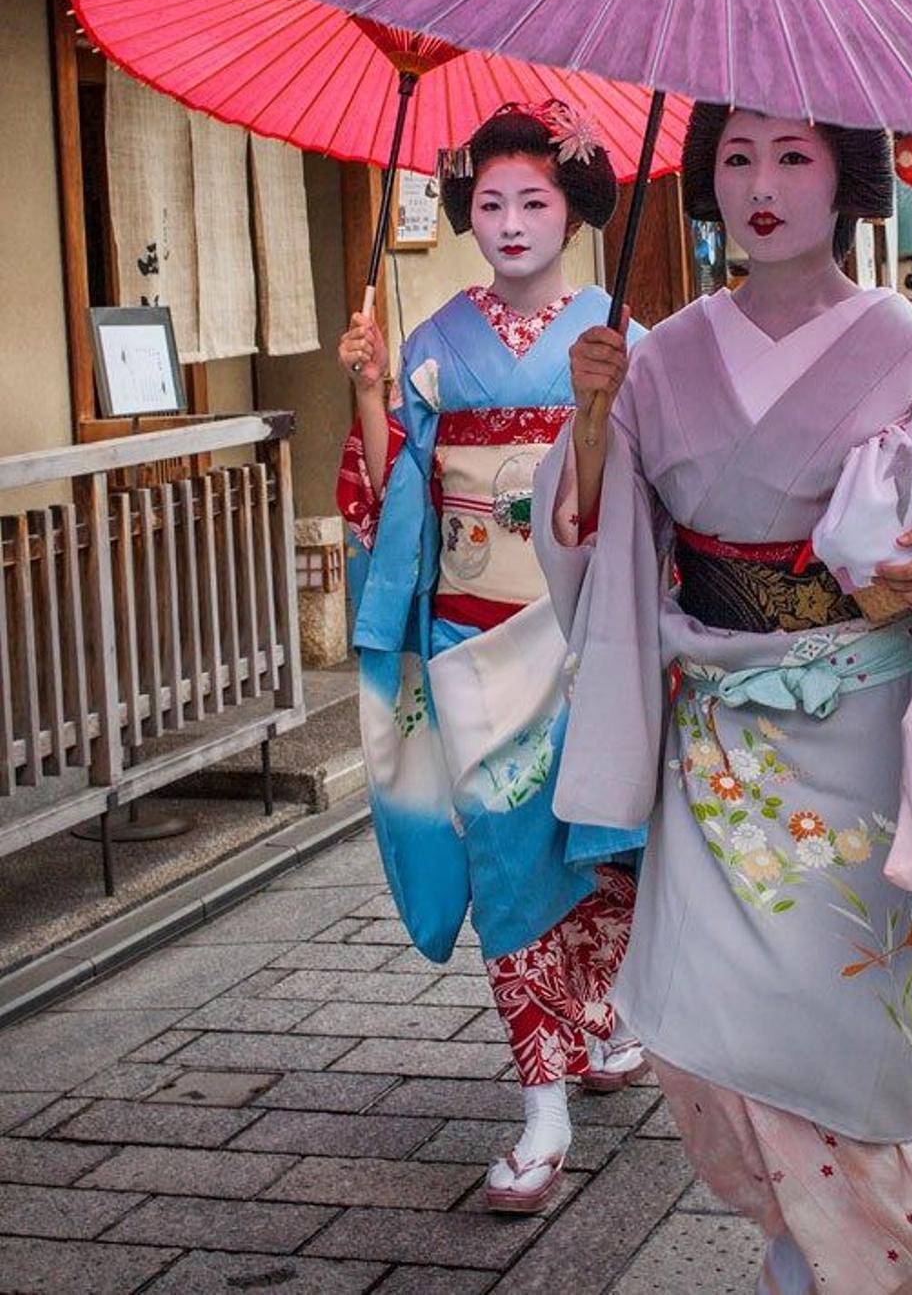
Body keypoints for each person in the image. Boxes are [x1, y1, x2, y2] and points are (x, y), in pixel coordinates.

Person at [534, 107, 912, 1295]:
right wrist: (598, 422)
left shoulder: (904, 342)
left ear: (848, 179)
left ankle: (867, 1261)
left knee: (838, 1031)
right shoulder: (656, 352)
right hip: (717, 743)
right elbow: (596, 533)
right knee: (714, 1044)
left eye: (794, 156)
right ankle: (797, 1252)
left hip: (861, 740)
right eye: (736, 158)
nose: (761, 184)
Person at [337, 103, 646, 1214]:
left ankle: (600, 1014)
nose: (509, 221)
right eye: (489, 202)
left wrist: (601, 409)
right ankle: (542, 1103)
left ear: (573, 213)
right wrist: (371, 386)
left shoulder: (615, 332)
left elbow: (636, 505)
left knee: (606, 850)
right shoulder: (432, 341)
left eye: (533, 201)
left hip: (581, 637)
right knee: (511, 869)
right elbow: (392, 491)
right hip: (473, 637)